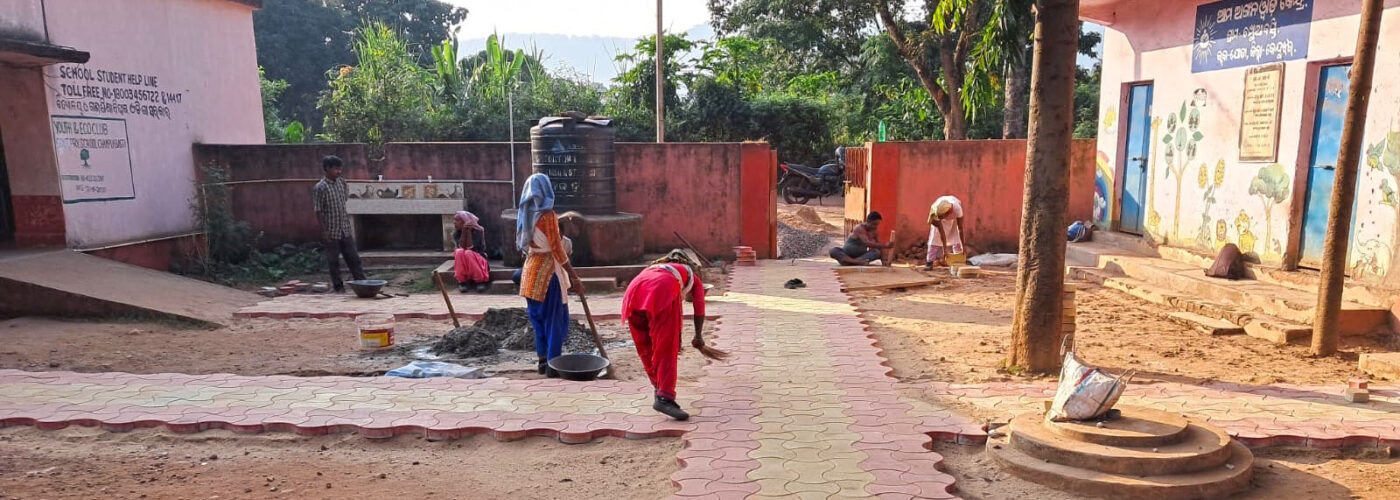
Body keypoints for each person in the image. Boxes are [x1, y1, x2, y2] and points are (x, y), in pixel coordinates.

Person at [622, 250, 709, 420]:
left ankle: (658, 388)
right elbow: (699, 307)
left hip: (633, 290)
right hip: (661, 289)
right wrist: (698, 336)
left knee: (645, 346)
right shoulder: (693, 279)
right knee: (666, 347)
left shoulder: (656, 267)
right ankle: (665, 398)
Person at [517, 174, 585, 378]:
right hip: (548, 275)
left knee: (538, 321)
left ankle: (542, 361)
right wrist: (574, 277)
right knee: (555, 321)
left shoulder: (525, 215)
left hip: (530, 273)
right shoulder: (547, 216)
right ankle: (554, 365)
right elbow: (557, 248)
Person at [312, 155, 366, 293]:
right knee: (333, 261)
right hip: (331, 231)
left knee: (354, 259)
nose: (339, 171)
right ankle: (339, 287)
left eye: (340, 169)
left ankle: (363, 284)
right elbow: (318, 211)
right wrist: (324, 231)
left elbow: (344, 202)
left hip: (345, 229)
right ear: (327, 169)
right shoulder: (320, 187)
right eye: (336, 169)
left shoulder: (342, 183)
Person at [453, 210, 491, 293]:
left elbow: (471, 247)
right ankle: (462, 282)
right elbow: (461, 246)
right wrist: (464, 231)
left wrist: (469, 231)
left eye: (457, 220)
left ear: (465, 221)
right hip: (465, 261)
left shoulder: (478, 232)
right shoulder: (456, 234)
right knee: (459, 252)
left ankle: (480, 281)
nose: (454, 222)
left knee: (468, 252)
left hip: (479, 260)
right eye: (454, 220)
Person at [925, 195, 966, 270]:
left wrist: (963, 246)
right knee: (935, 236)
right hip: (938, 215)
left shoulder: (957, 209)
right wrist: (945, 250)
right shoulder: (935, 210)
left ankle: (958, 259)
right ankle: (929, 262)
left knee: (955, 236)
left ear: (949, 212)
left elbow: (960, 228)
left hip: (953, 218)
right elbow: (942, 233)